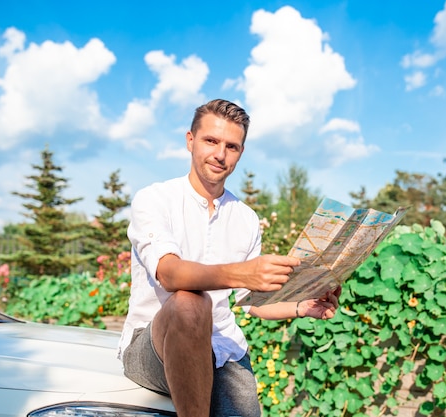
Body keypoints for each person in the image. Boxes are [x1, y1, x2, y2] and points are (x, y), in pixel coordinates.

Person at [118, 98, 341, 417]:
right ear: (190, 140)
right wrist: (242, 273)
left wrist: (299, 306)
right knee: (189, 302)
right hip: (153, 344)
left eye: (232, 146)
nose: (220, 154)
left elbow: (248, 302)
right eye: (211, 141)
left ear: (241, 152)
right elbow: (169, 273)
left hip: (223, 349)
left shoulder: (246, 218)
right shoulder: (154, 200)